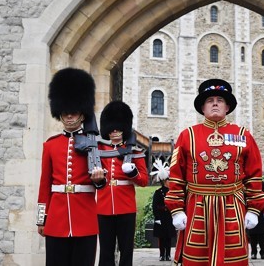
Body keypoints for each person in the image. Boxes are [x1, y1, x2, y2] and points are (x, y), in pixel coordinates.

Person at [164, 78, 264, 266]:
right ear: (202, 108)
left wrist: (254, 209)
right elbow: (176, 176)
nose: (215, 103)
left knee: (233, 259)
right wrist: (176, 210)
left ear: (228, 107)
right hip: (198, 207)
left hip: (232, 206)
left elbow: (254, 173)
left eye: (220, 100)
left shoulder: (243, 134)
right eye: (210, 100)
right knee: (197, 259)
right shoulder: (187, 135)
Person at [36, 68, 106, 266]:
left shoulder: (95, 144)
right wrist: (41, 218)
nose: (69, 117)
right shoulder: (50, 145)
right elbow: (44, 185)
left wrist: (100, 180)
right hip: (56, 219)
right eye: (65, 113)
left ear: (82, 115)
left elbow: (102, 182)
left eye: (73, 112)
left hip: (85, 218)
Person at [96, 100, 148, 266]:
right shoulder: (100, 149)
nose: (115, 131)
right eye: (111, 128)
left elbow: (144, 181)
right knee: (105, 251)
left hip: (126, 207)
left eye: (118, 128)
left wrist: (132, 173)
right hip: (103, 206)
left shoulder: (134, 151)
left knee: (126, 251)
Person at [151, 159, 176, 262]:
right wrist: (157, 217)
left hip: (169, 216)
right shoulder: (158, 192)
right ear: (165, 181)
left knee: (169, 237)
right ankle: (162, 254)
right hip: (161, 216)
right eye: (169, 180)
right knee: (161, 238)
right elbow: (155, 206)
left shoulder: (172, 191)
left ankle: (168, 254)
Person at [247, 181, 264, 260]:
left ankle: (263, 252)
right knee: (253, 234)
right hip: (251, 211)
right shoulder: (249, 184)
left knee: (262, 234)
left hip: (262, 212)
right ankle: (253, 252)